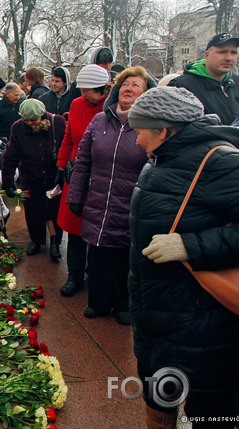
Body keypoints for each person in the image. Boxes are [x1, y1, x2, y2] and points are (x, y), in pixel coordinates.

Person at [127, 86, 239, 428]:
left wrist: (190, 245)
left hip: (204, 322)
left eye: (140, 131)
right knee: (158, 399)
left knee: (211, 413)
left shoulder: (222, 162)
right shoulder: (161, 158)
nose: (136, 141)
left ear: (164, 129)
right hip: (157, 315)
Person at [66, 67, 152, 324]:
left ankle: (123, 304)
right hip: (99, 199)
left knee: (125, 255)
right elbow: (82, 161)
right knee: (99, 252)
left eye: (136, 85)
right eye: (125, 84)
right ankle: (99, 302)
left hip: (131, 201)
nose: (128, 88)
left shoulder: (150, 123)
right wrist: (76, 194)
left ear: (147, 93)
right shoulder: (101, 120)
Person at [56, 64, 112, 296]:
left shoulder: (113, 108)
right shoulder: (77, 104)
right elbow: (69, 135)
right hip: (76, 173)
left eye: (87, 90)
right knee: (74, 227)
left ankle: (97, 275)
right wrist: (61, 164)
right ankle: (75, 276)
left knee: (99, 229)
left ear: (101, 89)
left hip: (103, 176)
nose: (83, 94)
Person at [2, 99, 66, 259]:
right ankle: (36, 241)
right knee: (33, 211)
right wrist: (8, 182)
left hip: (54, 175)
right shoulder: (17, 128)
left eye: (34, 120)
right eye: (26, 120)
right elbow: (10, 156)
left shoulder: (57, 122)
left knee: (53, 210)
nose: (30, 123)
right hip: (31, 176)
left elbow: (67, 145)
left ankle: (54, 243)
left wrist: (64, 169)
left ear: (42, 115)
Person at [169, 33, 239, 124]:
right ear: (207, 55)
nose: (229, 58)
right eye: (222, 52)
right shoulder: (182, 86)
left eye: (234, 53)